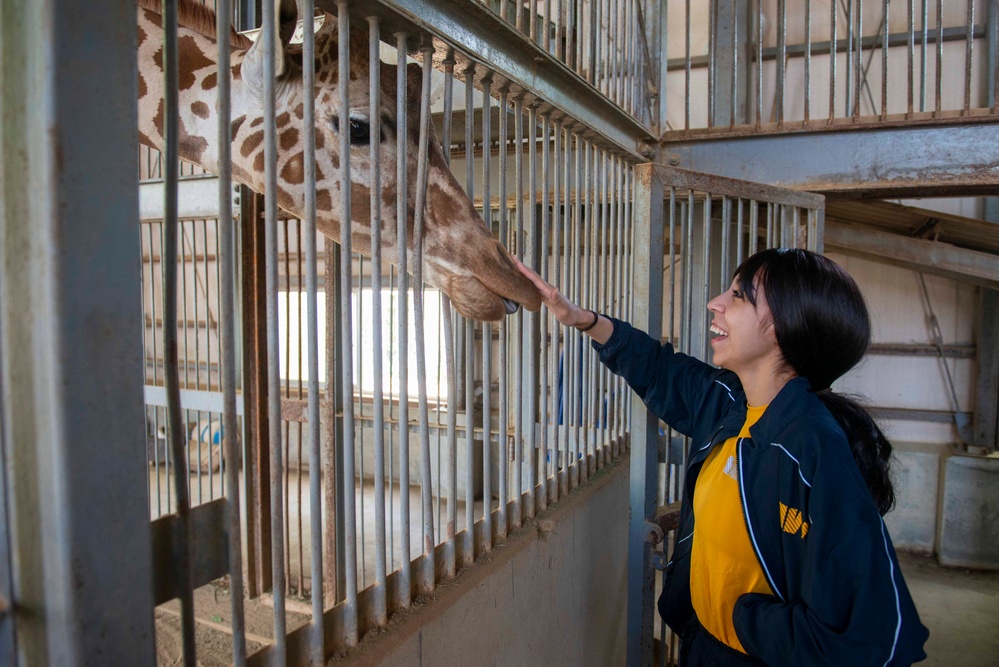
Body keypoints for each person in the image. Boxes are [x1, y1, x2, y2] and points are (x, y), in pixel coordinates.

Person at [516, 248, 928, 666]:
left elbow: (875, 638)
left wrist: (744, 620)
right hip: (703, 644)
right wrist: (581, 319)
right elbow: (658, 369)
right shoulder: (732, 404)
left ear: (785, 326)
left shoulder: (812, 448)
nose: (716, 303)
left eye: (739, 296)